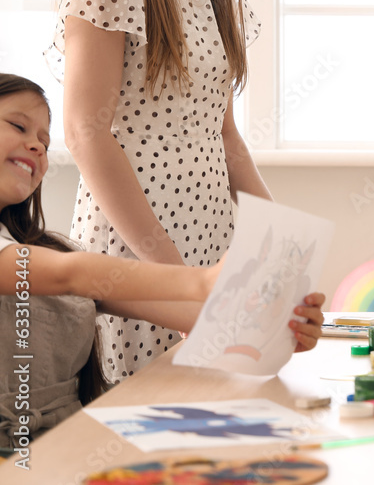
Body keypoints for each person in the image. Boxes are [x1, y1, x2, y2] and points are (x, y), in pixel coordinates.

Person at [43, 0, 271, 382]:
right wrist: (177, 281)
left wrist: (278, 233)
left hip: (211, 242)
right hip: (137, 247)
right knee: (142, 444)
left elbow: (221, 131)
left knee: (218, 433)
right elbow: (84, 130)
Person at [0, 74, 324, 447]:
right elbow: (70, 276)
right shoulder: (54, 266)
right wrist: (202, 281)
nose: (38, 147)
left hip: (68, 442)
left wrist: (274, 328)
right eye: (18, 126)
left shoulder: (52, 252)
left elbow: (193, 317)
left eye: (44, 140)